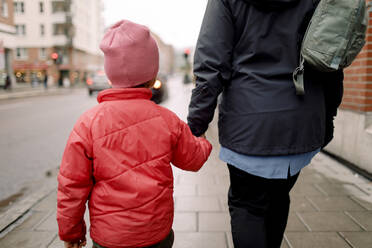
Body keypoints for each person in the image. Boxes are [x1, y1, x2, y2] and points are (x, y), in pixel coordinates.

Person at [187, 0, 344, 247]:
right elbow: (331, 56)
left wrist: (196, 126)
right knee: (279, 197)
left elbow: (211, 66)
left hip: (248, 127)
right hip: (300, 120)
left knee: (247, 205)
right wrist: (329, 115)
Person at [57, 20, 212, 248]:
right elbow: (193, 159)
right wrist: (203, 141)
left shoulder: (88, 123)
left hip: (110, 238)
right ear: (152, 75)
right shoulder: (166, 120)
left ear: (110, 75)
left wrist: (71, 232)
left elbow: (71, 185)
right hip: (155, 234)